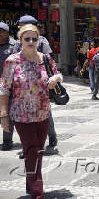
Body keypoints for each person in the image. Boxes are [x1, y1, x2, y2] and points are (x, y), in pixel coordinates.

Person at [0, 24, 62, 199]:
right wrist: (3, 115)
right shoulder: (12, 61)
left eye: (34, 38)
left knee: (37, 150)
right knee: (32, 149)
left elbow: (58, 74)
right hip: (21, 114)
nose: (31, 41)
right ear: (20, 40)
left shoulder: (45, 59)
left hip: (43, 112)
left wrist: (55, 79)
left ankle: (31, 183)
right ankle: (37, 191)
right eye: (27, 38)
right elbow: (4, 89)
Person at [13, 15, 58, 148]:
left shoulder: (42, 41)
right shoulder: (18, 42)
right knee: (24, 117)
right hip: (23, 87)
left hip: (40, 85)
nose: (18, 27)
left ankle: (52, 136)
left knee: (45, 114)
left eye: (20, 24)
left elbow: (49, 59)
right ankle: (28, 145)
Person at [0, 22, 16, 151]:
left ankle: (7, 141)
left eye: (1, 32)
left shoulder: (15, 45)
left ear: (7, 32)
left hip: (9, 85)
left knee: (8, 114)